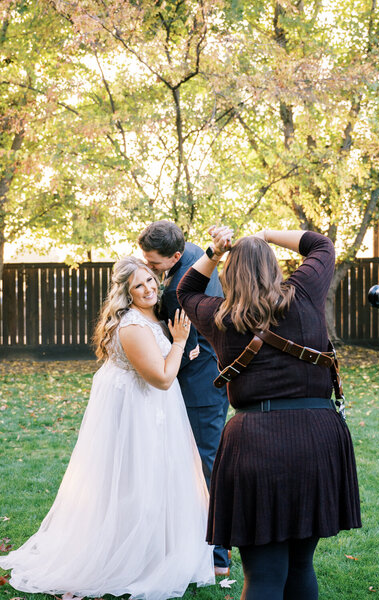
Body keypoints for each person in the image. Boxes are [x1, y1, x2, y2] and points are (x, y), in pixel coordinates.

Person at [0, 257, 214, 600]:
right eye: (138, 286)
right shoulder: (131, 325)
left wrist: (178, 349)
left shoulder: (153, 314)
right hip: (140, 411)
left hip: (155, 410)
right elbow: (160, 378)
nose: (148, 289)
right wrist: (177, 343)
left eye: (150, 280)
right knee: (138, 483)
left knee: (158, 480)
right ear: (126, 294)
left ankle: (156, 552)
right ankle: (125, 558)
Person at [176, 226, 362, 600]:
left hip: (255, 444)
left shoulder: (219, 317)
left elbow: (186, 291)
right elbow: (320, 244)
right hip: (317, 439)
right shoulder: (305, 293)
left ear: (229, 275)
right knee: (300, 565)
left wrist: (214, 252)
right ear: (275, 267)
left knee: (263, 575)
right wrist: (267, 234)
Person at [138, 221, 230, 575]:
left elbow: (184, 348)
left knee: (206, 467)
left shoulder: (179, 288)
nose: (148, 267)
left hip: (201, 384)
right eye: (144, 258)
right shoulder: (193, 252)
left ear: (176, 255)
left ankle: (217, 556)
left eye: (154, 263)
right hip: (199, 380)